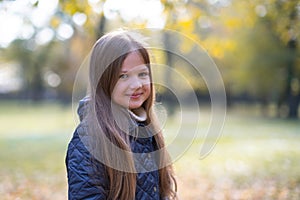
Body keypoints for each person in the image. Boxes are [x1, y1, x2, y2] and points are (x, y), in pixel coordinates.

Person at [65, 29, 177, 200]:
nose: (136, 84)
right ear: (103, 81)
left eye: (142, 74)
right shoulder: (88, 140)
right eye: (123, 76)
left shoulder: (147, 130)